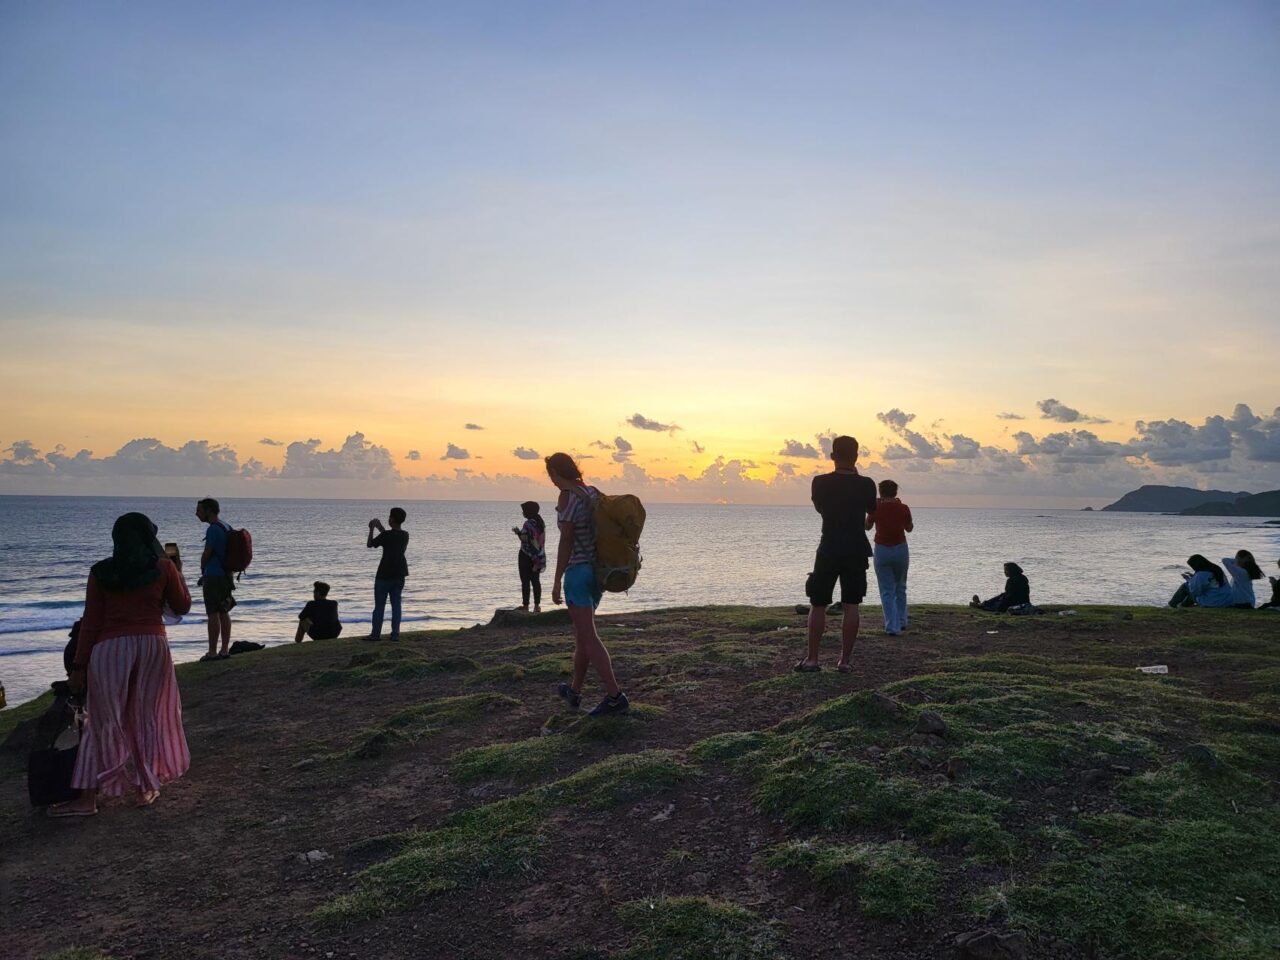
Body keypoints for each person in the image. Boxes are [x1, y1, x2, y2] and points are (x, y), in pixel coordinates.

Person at [49, 513, 192, 816]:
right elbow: (182, 606)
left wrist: (78, 667)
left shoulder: (101, 572)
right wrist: (178, 572)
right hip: (153, 646)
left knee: (102, 721)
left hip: (110, 650)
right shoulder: (163, 568)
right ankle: (146, 786)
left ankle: (88, 798)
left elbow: (91, 623)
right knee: (146, 716)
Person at [546, 452, 629, 716]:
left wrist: (557, 580)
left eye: (552, 476)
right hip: (597, 574)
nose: (553, 481)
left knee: (589, 638)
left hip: (578, 573)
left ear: (558, 474)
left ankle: (615, 697)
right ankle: (574, 691)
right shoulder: (593, 493)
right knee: (582, 637)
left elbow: (566, 541)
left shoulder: (568, 498)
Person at [796, 435, 876, 674]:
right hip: (856, 548)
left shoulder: (819, 482)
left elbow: (821, 509)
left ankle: (812, 659)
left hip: (829, 547)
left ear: (832, 456)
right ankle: (844, 661)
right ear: (857, 456)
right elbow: (871, 512)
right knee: (852, 604)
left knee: (818, 603)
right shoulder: (867, 484)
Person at [866, 479, 913, 637]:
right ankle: (902, 620)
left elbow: (867, 526)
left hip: (882, 550)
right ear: (895, 492)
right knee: (901, 586)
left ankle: (892, 627)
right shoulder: (903, 508)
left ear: (880, 492)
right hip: (900, 548)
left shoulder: (876, 507)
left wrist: (871, 508)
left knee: (887, 590)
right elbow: (909, 528)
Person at [196, 497, 234, 661]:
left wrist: (202, 569)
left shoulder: (212, 529)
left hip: (213, 575)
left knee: (212, 613)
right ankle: (224, 649)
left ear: (208, 510)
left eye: (199, 510)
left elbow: (207, 553)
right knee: (224, 611)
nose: (196, 514)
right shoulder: (226, 526)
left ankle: (212, 652)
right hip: (226, 575)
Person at [367, 507, 409, 641]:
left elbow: (370, 544)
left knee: (379, 606)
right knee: (396, 605)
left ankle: (375, 635)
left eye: (390, 516)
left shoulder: (387, 536)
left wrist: (372, 528)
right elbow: (390, 539)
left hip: (384, 574)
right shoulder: (404, 535)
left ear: (392, 519)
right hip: (399, 573)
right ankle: (395, 634)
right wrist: (381, 528)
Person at [512, 501, 546, 613]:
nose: (523, 513)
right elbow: (537, 540)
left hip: (526, 555)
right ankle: (537, 606)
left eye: (524, 510)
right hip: (538, 556)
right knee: (536, 581)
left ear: (528, 511)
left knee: (525, 581)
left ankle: (526, 606)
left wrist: (518, 533)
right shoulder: (540, 523)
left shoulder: (527, 524)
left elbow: (525, 539)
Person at [1166, 555, 1234, 608]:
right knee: (1190, 586)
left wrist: (1189, 579)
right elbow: (1211, 583)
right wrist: (1193, 578)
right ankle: (1183, 605)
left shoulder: (1201, 574)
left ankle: (1172, 605)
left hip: (1213, 602)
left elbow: (1195, 591)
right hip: (1226, 600)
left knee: (1185, 586)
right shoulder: (1217, 569)